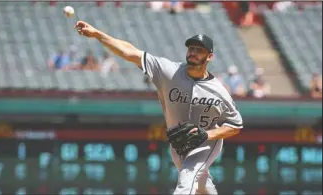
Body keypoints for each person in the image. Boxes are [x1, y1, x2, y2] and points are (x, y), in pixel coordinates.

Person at [75, 21, 243, 194]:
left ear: (209, 56)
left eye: (199, 50)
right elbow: (130, 52)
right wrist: (97, 34)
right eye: (191, 48)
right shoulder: (169, 71)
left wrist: (207, 134)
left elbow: (236, 125)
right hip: (178, 144)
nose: (193, 52)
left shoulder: (218, 91)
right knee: (201, 185)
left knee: (186, 182)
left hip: (207, 143)